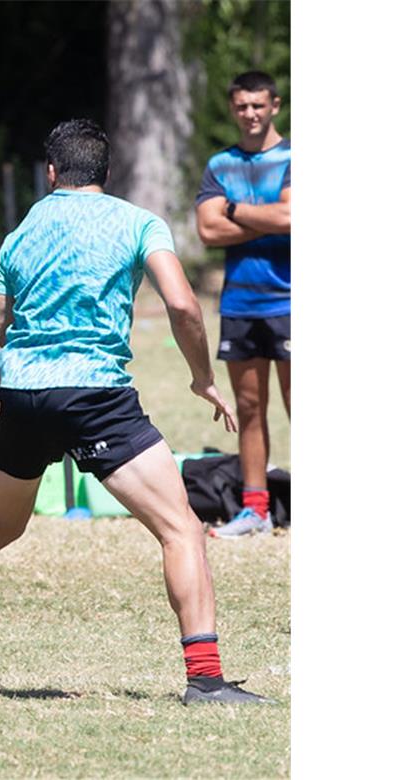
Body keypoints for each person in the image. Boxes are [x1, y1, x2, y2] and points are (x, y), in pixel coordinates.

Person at [0, 119, 270, 705]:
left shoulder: (21, 233)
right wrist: (202, 378)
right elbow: (182, 305)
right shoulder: (139, 222)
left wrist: (7, 393)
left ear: (51, 172)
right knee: (181, 529)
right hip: (96, 396)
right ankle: (205, 680)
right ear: (106, 172)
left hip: (25, 395)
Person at [195, 70, 291, 539]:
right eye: (241, 106)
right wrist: (267, 220)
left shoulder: (294, 158)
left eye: (258, 105)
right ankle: (256, 509)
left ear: (274, 105)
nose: (250, 113)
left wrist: (231, 208)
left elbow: (291, 217)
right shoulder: (220, 164)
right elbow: (207, 230)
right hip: (240, 303)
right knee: (249, 408)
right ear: (233, 108)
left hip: (290, 301)